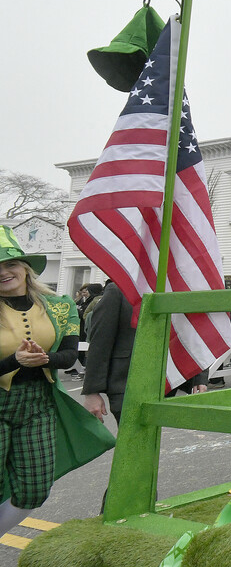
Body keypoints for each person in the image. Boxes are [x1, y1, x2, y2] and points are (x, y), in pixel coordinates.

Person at [0, 227, 112, 533]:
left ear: (24, 268)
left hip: (38, 405)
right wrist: (14, 361)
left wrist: (43, 359)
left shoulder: (59, 306)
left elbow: (68, 355)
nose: (4, 272)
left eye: (9, 264)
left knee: (34, 488)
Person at [80, 280, 133, 424]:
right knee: (132, 443)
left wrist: (199, 378)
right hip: (125, 386)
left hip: (170, 385)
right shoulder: (117, 290)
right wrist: (91, 392)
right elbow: (100, 342)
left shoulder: (177, 286)